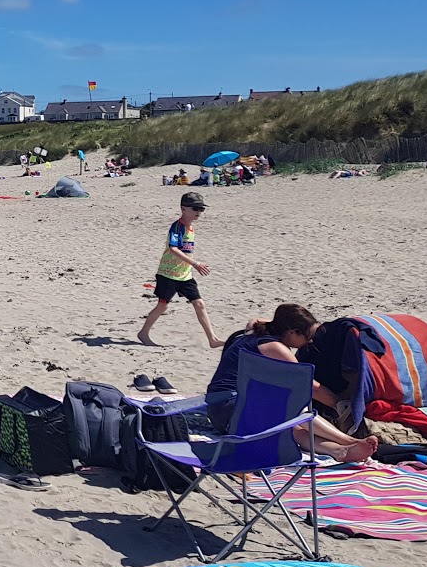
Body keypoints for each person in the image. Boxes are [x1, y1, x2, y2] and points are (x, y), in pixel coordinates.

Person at [206, 304, 379, 463]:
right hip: (230, 412)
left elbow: (256, 320)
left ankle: (340, 451)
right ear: (291, 332)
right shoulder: (275, 348)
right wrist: (339, 404)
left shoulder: (254, 331)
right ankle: (349, 440)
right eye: (308, 336)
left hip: (219, 409)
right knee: (293, 407)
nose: (310, 342)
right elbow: (308, 386)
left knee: (291, 430)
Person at [138, 192, 222, 348]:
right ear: (184, 208)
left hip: (184, 275)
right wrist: (196, 264)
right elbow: (173, 249)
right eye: (195, 208)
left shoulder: (191, 227)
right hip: (168, 274)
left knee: (199, 304)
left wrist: (191, 266)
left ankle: (212, 339)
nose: (198, 212)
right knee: (163, 306)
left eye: (201, 209)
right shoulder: (177, 226)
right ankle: (143, 333)